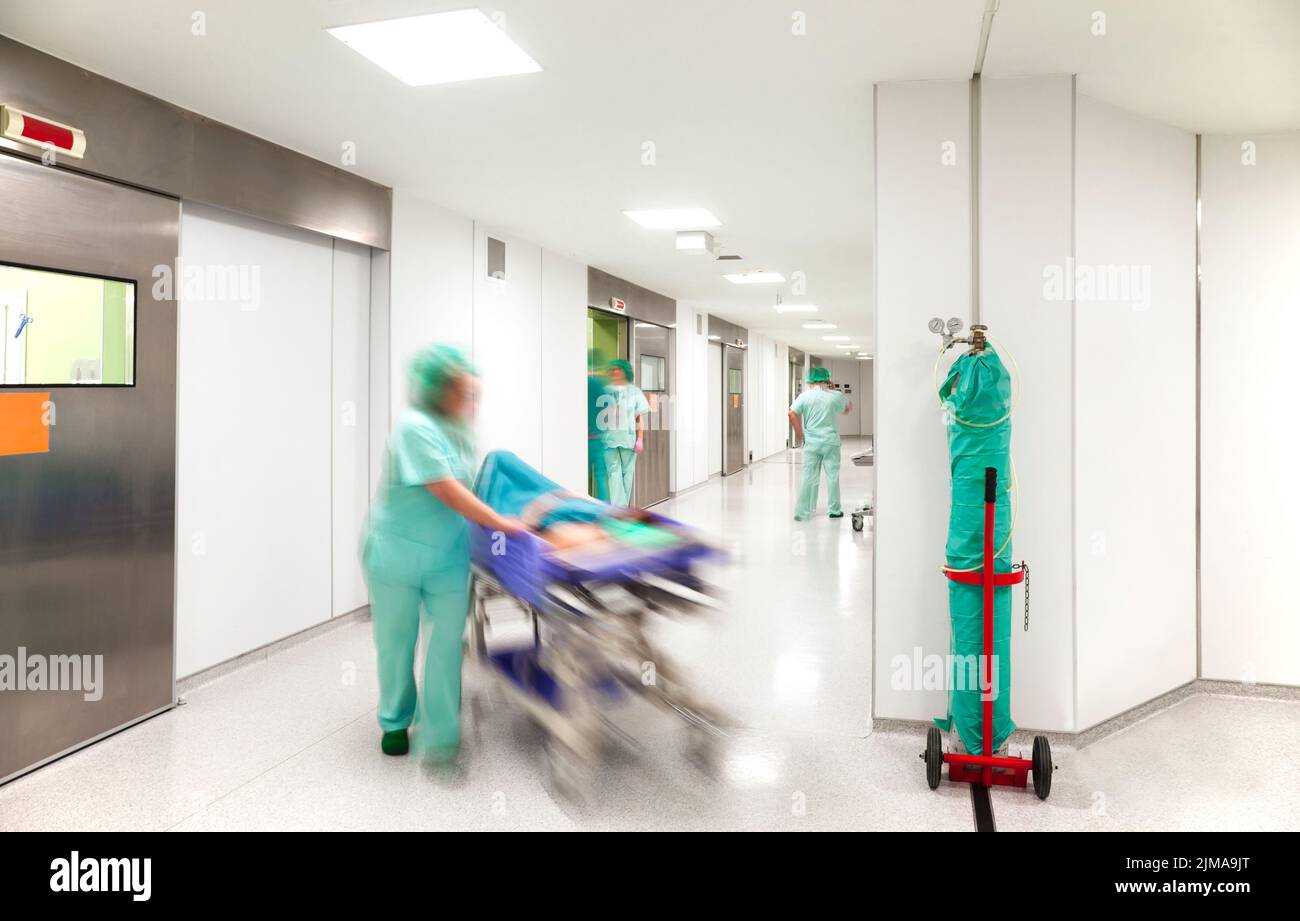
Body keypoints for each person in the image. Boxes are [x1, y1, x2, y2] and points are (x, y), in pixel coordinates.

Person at [360, 344, 524, 761]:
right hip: (395, 554)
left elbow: (472, 489)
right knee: (397, 641)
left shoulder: (460, 434)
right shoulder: (412, 427)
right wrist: (500, 524)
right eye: (463, 393)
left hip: (447, 555)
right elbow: (444, 487)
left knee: (447, 641)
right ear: (437, 390)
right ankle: (395, 722)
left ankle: (441, 730)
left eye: (474, 394)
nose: (470, 402)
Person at [788, 367, 852, 522]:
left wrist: (799, 433)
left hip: (811, 443)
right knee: (832, 476)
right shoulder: (835, 396)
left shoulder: (804, 396)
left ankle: (804, 511)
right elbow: (846, 410)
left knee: (809, 476)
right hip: (830, 442)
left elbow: (791, 413)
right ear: (828, 380)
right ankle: (834, 510)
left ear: (810, 381)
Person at [600, 359, 650, 507]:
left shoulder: (634, 392)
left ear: (625, 371)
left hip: (628, 439)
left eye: (618, 369)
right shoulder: (606, 391)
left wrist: (640, 439)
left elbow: (639, 418)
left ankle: (620, 510)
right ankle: (620, 510)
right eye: (613, 369)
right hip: (609, 439)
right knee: (613, 475)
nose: (615, 372)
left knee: (627, 476)